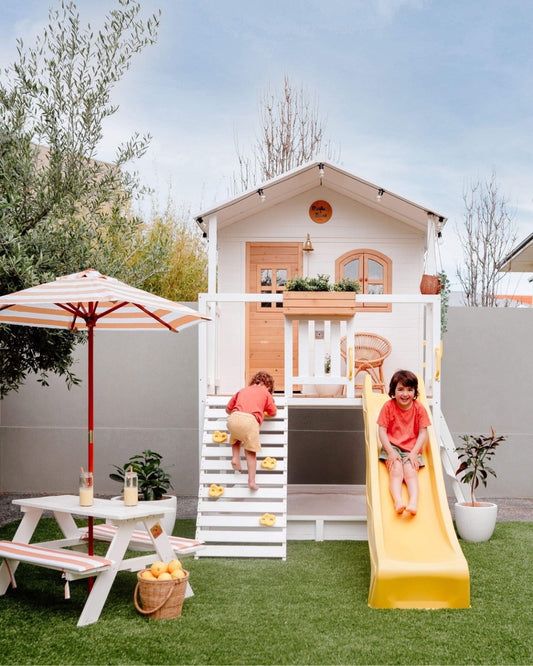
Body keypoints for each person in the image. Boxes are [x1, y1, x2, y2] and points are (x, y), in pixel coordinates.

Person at [377, 370, 430, 516]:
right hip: (392, 447)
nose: (405, 393)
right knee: (396, 471)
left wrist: (414, 453)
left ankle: (413, 502)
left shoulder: (419, 408)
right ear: (393, 391)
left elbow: (423, 432)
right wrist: (391, 452)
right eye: (400, 389)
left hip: (411, 449)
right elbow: (381, 431)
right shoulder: (388, 407)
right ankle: (398, 501)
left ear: (415, 392)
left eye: (409, 389)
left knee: (410, 472)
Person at [226, 371, 277, 490]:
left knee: (236, 436)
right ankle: (251, 481)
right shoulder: (266, 393)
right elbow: (273, 412)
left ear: (254, 381)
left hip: (233, 418)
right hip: (250, 421)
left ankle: (235, 457)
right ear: (269, 386)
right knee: (250, 452)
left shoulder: (242, 390)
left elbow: (228, 409)